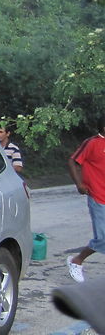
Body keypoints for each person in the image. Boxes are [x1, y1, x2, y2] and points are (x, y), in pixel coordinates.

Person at [66, 115, 105, 282]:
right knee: (103, 238)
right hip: (98, 196)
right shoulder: (92, 143)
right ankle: (76, 261)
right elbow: (73, 161)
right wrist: (79, 184)